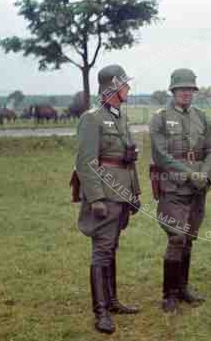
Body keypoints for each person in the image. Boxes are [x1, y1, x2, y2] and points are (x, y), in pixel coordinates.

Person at [74, 64, 141, 334]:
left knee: (111, 247)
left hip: (121, 194)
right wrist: (96, 198)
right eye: (125, 84)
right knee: (101, 251)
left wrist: (135, 192)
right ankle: (100, 311)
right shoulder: (92, 118)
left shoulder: (120, 117)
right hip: (104, 195)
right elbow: (86, 162)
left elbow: (128, 160)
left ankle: (112, 301)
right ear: (112, 87)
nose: (128, 88)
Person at [149, 68, 211, 313]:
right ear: (173, 90)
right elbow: (160, 154)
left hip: (198, 188)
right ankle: (169, 295)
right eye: (182, 89)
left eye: (190, 89)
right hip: (174, 186)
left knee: (189, 238)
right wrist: (191, 174)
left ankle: (183, 289)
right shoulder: (160, 117)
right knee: (176, 237)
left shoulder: (201, 116)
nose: (186, 93)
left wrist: (205, 174)